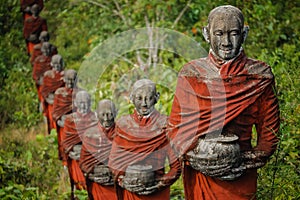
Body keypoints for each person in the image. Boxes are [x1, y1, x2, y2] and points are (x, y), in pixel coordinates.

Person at [167, 5, 280, 200]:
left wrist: (243, 162)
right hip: (201, 173)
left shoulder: (258, 76)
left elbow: (269, 134)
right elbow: (176, 130)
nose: (226, 42)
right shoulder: (191, 74)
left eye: (234, 33)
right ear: (206, 34)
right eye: (219, 33)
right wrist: (200, 160)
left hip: (240, 176)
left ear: (244, 34)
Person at [108, 79, 181, 200]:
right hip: (130, 191)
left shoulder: (165, 125)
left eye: (149, 98)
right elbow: (114, 162)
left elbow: (176, 167)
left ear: (157, 97)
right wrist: (123, 181)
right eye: (139, 98)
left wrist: (160, 184)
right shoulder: (123, 125)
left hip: (156, 192)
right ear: (131, 98)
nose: (144, 104)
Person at [62, 91, 98, 198]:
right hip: (76, 158)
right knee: (79, 183)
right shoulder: (70, 119)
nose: (84, 105)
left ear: (90, 103)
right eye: (81, 102)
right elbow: (66, 142)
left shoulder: (96, 118)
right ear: (76, 104)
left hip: (91, 158)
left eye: (86, 102)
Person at [79, 99, 118, 200]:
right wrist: (96, 173)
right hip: (99, 184)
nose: (106, 119)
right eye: (103, 114)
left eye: (110, 114)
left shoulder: (122, 134)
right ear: (96, 114)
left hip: (118, 185)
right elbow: (84, 163)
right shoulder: (89, 134)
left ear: (116, 113)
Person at [52, 69, 78, 165]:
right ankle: (65, 162)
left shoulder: (81, 93)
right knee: (65, 146)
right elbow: (55, 112)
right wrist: (62, 121)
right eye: (68, 79)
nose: (71, 82)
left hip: (77, 126)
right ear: (64, 79)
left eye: (73, 79)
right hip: (64, 126)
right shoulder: (59, 93)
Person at [41, 54, 65, 134]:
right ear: (51, 64)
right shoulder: (48, 75)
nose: (57, 66)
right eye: (55, 64)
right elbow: (44, 91)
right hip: (51, 102)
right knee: (52, 121)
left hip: (63, 104)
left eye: (59, 64)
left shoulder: (65, 75)